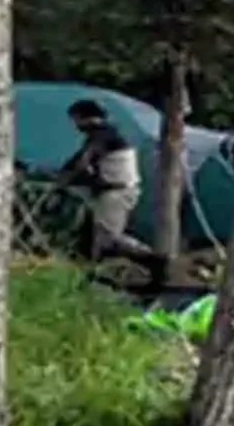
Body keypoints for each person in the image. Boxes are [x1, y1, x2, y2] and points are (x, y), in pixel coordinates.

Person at [61, 98, 169, 288]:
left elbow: (82, 162)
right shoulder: (105, 134)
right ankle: (91, 273)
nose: (76, 125)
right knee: (94, 234)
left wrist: (66, 178)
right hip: (114, 190)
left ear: (84, 118)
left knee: (108, 237)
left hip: (116, 191)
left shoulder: (102, 136)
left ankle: (152, 260)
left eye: (76, 120)